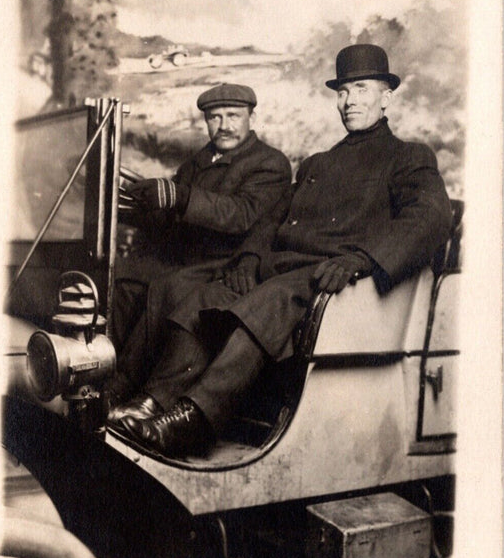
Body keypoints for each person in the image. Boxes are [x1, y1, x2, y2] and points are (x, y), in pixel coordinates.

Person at [109, 43, 453, 458]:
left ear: (386, 96)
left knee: (269, 300)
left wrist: (363, 258)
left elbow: (432, 216)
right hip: (281, 270)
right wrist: (251, 257)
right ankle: (154, 402)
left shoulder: (408, 156)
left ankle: (193, 419)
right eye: (343, 92)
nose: (350, 101)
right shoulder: (316, 163)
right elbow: (271, 218)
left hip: (333, 277)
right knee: (202, 297)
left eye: (362, 89)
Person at [109, 82, 292, 405]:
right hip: (186, 259)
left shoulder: (270, 163)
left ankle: (132, 390)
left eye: (233, 116)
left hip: (229, 264)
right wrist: (137, 208)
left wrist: (179, 195)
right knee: (123, 281)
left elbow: (242, 215)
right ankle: (106, 377)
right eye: (214, 118)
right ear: (205, 121)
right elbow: (171, 217)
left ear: (251, 116)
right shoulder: (197, 162)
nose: (224, 125)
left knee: (168, 288)